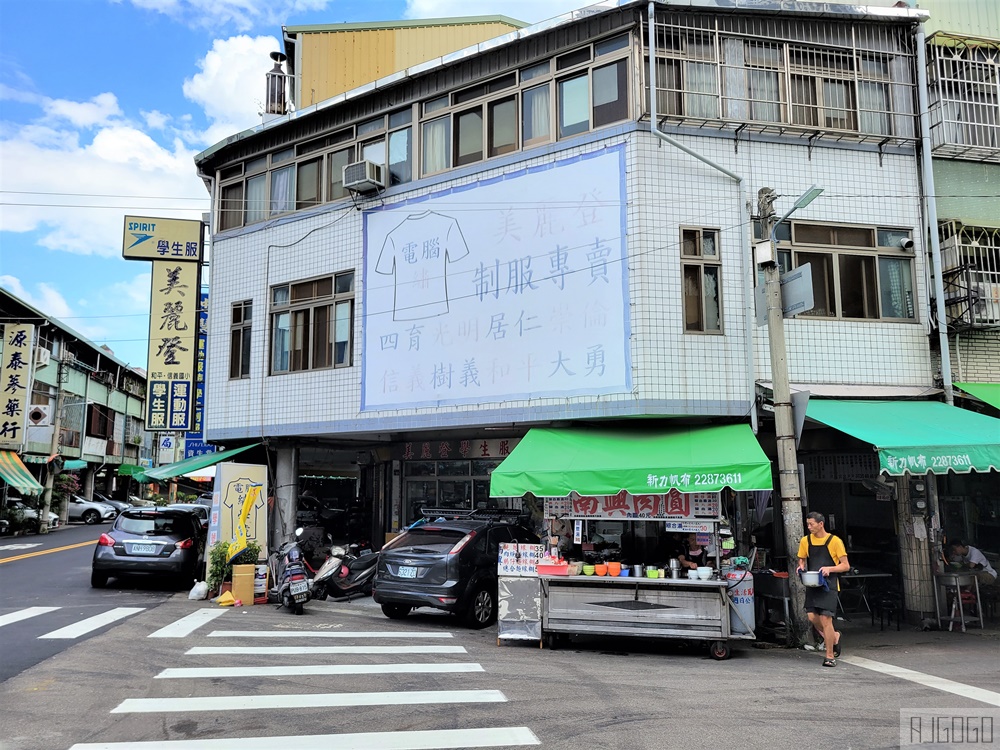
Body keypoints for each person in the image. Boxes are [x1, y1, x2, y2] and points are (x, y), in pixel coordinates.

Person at [796, 511, 850, 667]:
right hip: (813, 584)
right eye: (808, 524)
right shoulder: (806, 541)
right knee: (812, 617)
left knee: (826, 619)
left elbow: (845, 565)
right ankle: (834, 637)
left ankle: (829, 656)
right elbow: (802, 558)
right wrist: (800, 566)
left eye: (811, 524)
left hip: (829, 585)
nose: (809, 527)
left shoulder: (835, 541)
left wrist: (830, 569)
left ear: (821, 524)